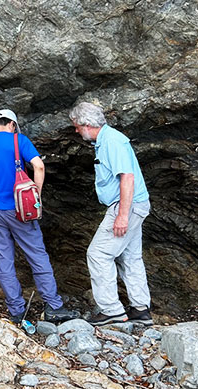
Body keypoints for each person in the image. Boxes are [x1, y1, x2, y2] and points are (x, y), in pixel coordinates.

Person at [0, 109, 78, 324]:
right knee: (37, 255)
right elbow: (38, 165)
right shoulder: (18, 140)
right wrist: (36, 194)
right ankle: (53, 307)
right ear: (12, 124)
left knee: (4, 260)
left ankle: (17, 311)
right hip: (21, 210)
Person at [69, 102, 153, 326]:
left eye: (76, 126)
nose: (76, 131)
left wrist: (122, 215)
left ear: (87, 124)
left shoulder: (112, 141)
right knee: (130, 257)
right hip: (135, 204)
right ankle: (140, 309)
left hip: (127, 206)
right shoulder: (105, 140)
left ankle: (111, 309)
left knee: (98, 254)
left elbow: (127, 177)